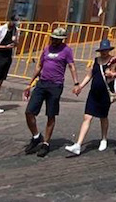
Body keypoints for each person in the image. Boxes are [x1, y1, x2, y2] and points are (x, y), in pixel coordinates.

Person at [23, 27, 79, 158]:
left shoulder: (67, 50)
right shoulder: (46, 49)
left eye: (56, 39)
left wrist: (77, 83)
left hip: (55, 85)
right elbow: (39, 66)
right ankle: (36, 136)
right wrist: (29, 83)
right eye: (52, 38)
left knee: (51, 114)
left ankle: (46, 143)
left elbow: (71, 66)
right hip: (42, 83)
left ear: (61, 40)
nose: (53, 41)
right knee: (29, 111)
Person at [65, 39, 116, 156]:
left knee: (103, 117)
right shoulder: (96, 61)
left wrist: (113, 74)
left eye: (106, 50)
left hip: (105, 93)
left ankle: (104, 138)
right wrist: (80, 86)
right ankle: (78, 145)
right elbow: (89, 75)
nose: (104, 52)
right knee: (87, 117)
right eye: (102, 50)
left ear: (109, 50)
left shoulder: (114, 60)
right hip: (93, 92)